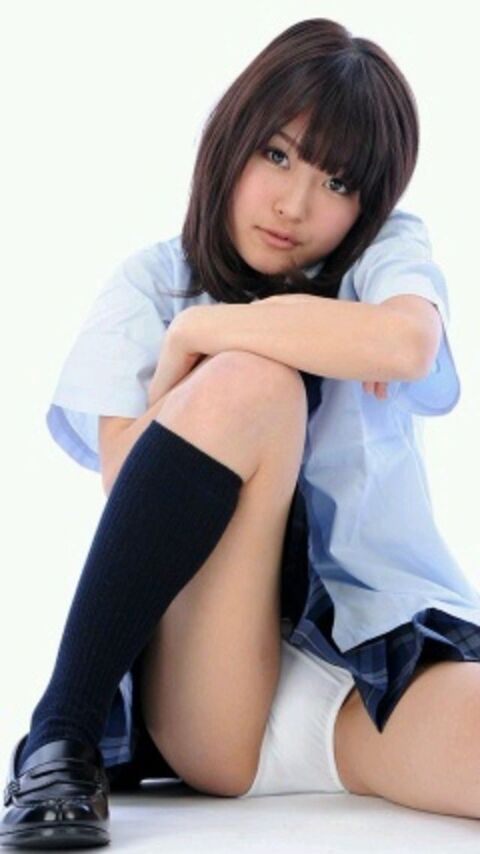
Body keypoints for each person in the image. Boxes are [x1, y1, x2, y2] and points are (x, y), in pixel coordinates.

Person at [2, 15, 480, 849]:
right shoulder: (149, 285)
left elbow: (407, 344)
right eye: (278, 155)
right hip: (212, 696)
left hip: (373, 665)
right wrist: (228, 362)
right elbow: (129, 488)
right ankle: (60, 731)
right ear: (231, 138)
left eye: (338, 183)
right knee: (256, 386)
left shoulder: (380, 254)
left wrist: (206, 331)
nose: (296, 205)